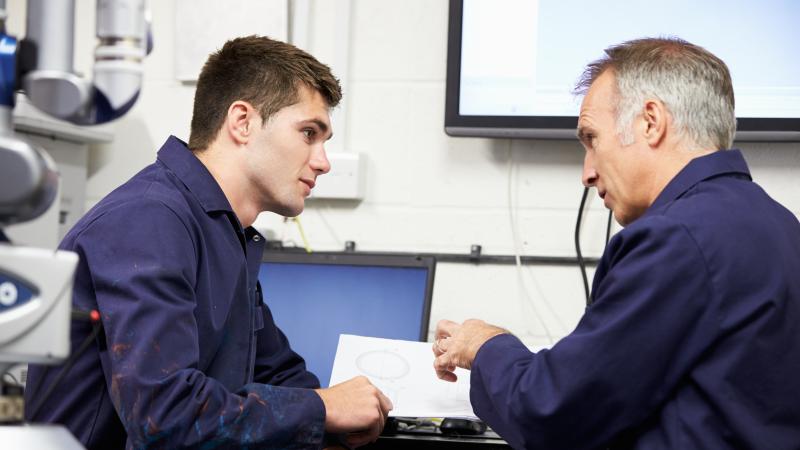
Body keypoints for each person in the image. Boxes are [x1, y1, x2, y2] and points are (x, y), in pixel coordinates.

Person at [25, 36, 392, 449]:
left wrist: (353, 413)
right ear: (242, 122)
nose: (323, 162)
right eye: (309, 133)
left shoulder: (223, 232)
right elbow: (165, 416)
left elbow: (277, 373)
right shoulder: (148, 221)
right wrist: (323, 409)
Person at [433, 37, 800, 449]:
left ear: (650, 122)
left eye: (592, 139)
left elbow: (553, 413)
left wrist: (484, 346)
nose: (587, 173)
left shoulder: (675, 239)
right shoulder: (780, 224)